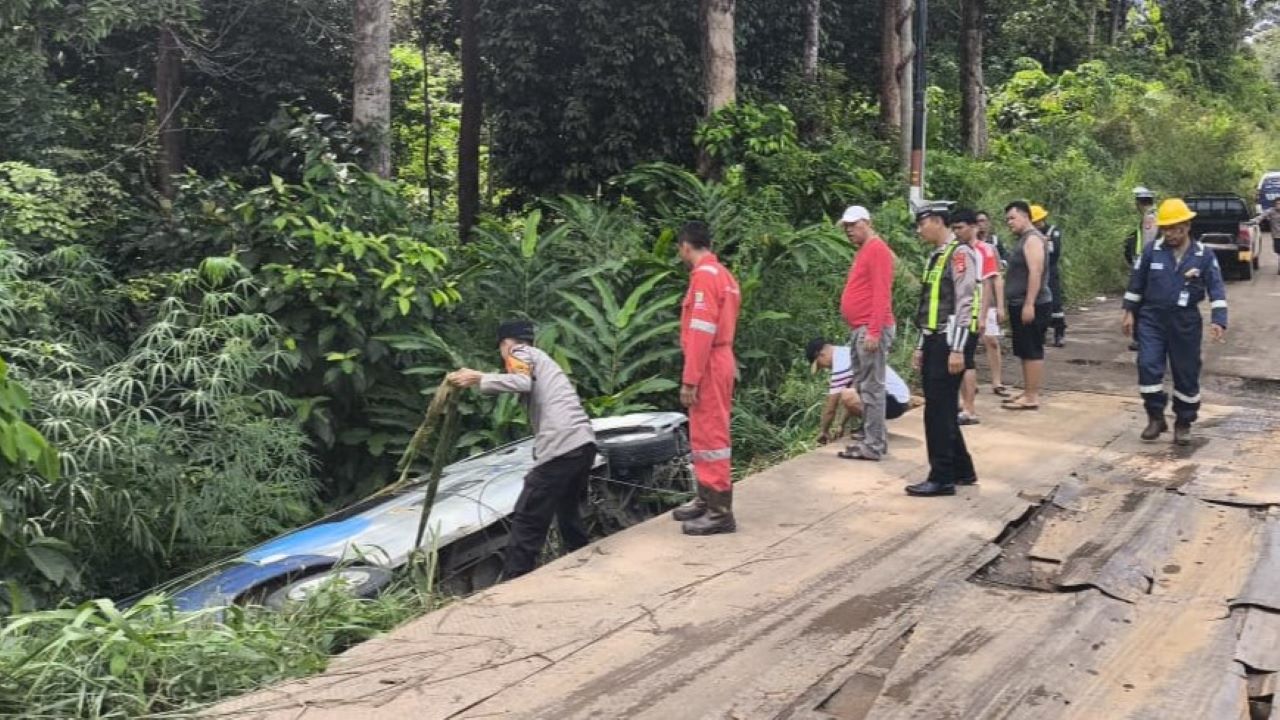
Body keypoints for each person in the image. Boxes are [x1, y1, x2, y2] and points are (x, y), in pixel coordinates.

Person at [447, 320, 597, 580]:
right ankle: (580, 559)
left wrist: (479, 377)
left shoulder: (519, 353)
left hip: (562, 446)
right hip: (583, 443)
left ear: (505, 344)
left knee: (528, 516)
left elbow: (521, 382)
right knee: (567, 508)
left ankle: (514, 580)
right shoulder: (543, 359)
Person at [1123, 198, 1228, 446]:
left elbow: (1217, 288)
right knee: (1148, 365)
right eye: (1165, 228)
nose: (1169, 233)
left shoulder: (1203, 255)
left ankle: (1183, 421)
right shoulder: (1152, 251)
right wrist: (1128, 311)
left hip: (1185, 323)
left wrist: (1219, 320)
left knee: (1186, 372)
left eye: (1174, 228)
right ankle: (1155, 416)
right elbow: (1136, 284)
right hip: (1151, 319)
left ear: (1187, 225)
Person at [670, 221, 742, 535]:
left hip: (709, 362)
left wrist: (690, 379)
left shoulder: (703, 278)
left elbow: (701, 331)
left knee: (711, 434)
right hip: (719, 358)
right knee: (704, 432)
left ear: (686, 246)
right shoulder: (723, 275)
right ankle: (706, 498)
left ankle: (719, 511)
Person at [907, 202, 978, 497]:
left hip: (950, 341)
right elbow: (930, 306)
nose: (919, 229)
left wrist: (958, 349)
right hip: (935, 340)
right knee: (943, 408)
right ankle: (962, 469)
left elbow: (964, 303)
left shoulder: (959, 254)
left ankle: (942, 477)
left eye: (922, 223)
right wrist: (921, 345)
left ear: (937, 221)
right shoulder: (935, 257)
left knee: (937, 411)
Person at [833, 205, 896, 461]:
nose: (849, 230)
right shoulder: (864, 250)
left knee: (872, 387)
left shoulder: (877, 249)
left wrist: (873, 331)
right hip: (859, 327)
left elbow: (882, 292)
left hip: (871, 328)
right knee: (864, 386)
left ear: (867, 222)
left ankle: (874, 444)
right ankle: (871, 439)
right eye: (846, 226)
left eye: (852, 225)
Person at [806, 338, 914, 444]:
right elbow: (855, 397)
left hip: (894, 401)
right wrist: (840, 425)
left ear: (821, 354)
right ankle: (871, 427)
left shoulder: (841, 362)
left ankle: (874, 429)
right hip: (896, 401)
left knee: (847, 395)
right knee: (850, 392)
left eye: (821, 364)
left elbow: (831, 407)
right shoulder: (846, 353)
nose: (826, 367)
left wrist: (824, 431)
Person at [1002, 201, 1051, 411]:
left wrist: (1029, 304)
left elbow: (1036, 272)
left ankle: (1032, 396)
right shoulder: (1024, 239)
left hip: (1032, 303)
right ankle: (1027, 390)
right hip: (1019, 301)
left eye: (1012, 218)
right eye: (1007, 220)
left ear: (1025, 216)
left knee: (1032, 348)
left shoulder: (1032, 239)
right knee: (1023, 348)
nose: (1009, 223)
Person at [952, 209, 999, 425]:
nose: (957, 232)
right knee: (960, 359)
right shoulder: (958, 249)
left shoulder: (984, 250)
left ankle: (970, 409)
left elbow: (988, 282)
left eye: (960, 227)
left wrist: (982, 315)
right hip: (958, 311)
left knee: (967, 359)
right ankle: (964, 402)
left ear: (973, 227)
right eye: (954, 228)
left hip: (973, 310)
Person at [975, 210, 1009, 397]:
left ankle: (997, 381)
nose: (980, 225)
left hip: (988, 300)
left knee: (991, 340)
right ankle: (971, 382)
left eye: (983, 221)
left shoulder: (992, 247)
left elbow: (997, 277)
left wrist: (1000, 306)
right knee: (968, 343)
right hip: (970, 300)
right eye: (977, 221)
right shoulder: (962, 248)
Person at [1128, 187, 1159, 351]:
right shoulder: (1154, 214)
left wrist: (1142, 264)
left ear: (1139, 203)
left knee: (1139, 302)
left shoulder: (1149, 218)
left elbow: (1148, 243)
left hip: (1145, 265)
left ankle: (1140, 339)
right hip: (1149, 264)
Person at [1031, 205, 1067, 348]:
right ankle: (1041, 333)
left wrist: (1043, 243)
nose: (1036, 224)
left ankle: (1059, 332)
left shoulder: (1053, 231)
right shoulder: (1030, 233)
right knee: (1037, 302)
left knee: (1055, 302)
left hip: (1050, 270)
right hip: (1035, 271)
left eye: (1038, 221)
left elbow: (1055, 251)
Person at [1266, 200, 1280, 275]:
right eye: (1277, 203)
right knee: (1278, 252)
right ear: (1274, 205)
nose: (1279, 205)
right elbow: (1261, 216)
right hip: (1276, 236)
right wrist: (1254, 221)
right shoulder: (1271, 211)